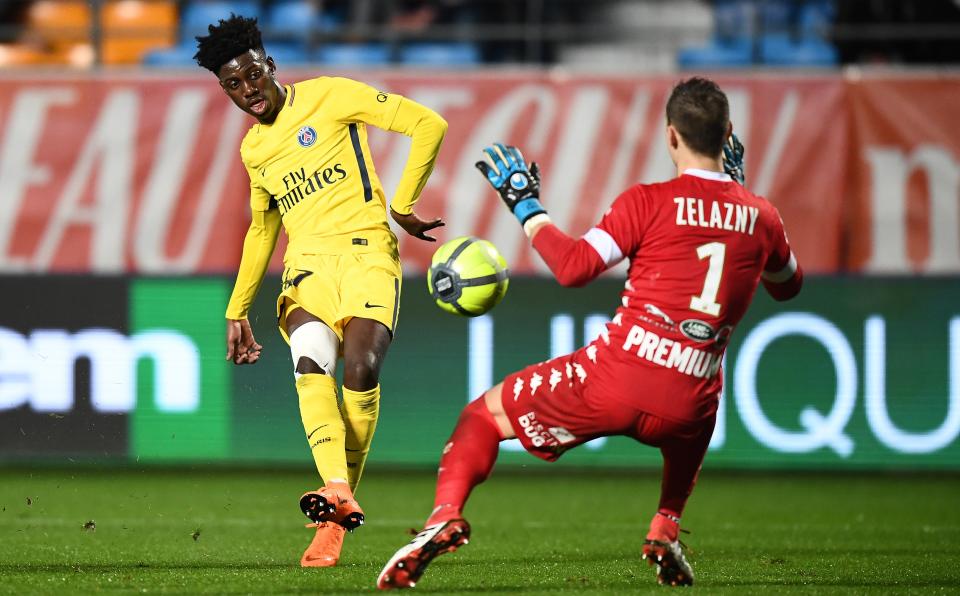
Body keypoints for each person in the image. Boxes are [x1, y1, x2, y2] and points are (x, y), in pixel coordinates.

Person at [377, 77, 802, 590]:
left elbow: (575, 267)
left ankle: (443, 517)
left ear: (671, 137)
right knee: (703, 394)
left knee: (482, 417)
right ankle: (665, 526)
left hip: (615, 381)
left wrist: (526, 206)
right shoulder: (762, 216)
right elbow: (788, 286)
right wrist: (741, 195)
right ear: (728, 133)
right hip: (688, 404)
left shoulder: (648, 201)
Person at [193, 15, 447, 568]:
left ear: (270, 66)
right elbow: (263, 230)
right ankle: (336, 497)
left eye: (252, 76)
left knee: (361, 370)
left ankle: (334, 510)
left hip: (367, 254)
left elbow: (428, 123)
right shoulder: (254, 151)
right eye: (232, 85)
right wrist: (237, 309)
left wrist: (402, 204)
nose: (247, 92)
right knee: (313, 361)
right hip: (307, 266)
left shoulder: (330, 96)